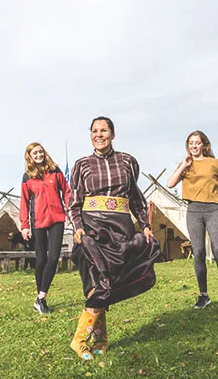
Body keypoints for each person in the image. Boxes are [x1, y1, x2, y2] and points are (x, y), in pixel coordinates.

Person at [68, 116, 162, 361]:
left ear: (113, 133)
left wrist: (145, 225)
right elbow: (74, 202)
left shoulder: (128, 161)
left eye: (104, 130)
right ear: (90, 135)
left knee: (109, 282)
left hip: (121, 230)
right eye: (95, 131)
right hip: (92, 230)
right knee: (96, 283)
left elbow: (136, 198)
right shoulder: (81, 165)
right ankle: (80, 341)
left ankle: (100, 340)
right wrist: (78, 228)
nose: (99, 134)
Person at [167, 130, 218, 312]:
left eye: (197, 143)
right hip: (193, 210)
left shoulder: (215, 163)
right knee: (198, 252)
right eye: (190, 143)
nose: (194, 146)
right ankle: (204, 296)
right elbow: (170, 183)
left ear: (204, 145)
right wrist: (183, 166)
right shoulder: (186, 165)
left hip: (212, 210)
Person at [19, 142, 71, 315]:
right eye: (35, 153)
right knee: (40, 260)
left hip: (57, 218)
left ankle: (41, 297)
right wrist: (24, 225)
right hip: (38, 221)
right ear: (30, 156)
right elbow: (24, 202)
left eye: (41, 151)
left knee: (54, 257)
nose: (39, 155)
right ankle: (40, 299)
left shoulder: (55, 171)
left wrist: (70, 210)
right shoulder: (27, 177)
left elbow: (67, 191)